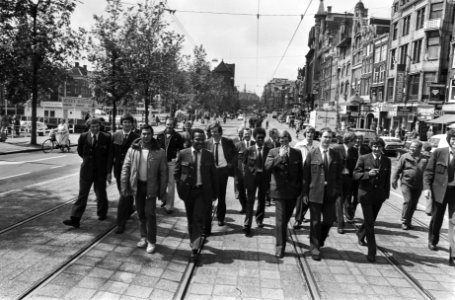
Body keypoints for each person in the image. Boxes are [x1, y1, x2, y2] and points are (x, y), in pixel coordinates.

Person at [120, 125, 168, 254]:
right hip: (138, 185)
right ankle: (143, 237)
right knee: (140, 213)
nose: (146, 136)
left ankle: (152, 241)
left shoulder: (160, 152)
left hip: (151, 186)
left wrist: (163, 192)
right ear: (140, 134)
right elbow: (126, 168)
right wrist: (124, 185)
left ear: (152, 135)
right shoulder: (133, 150)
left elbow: (164, 173)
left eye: (148, 134)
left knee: (150, 214)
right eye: (143, 133)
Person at [174, 128, 217, 261]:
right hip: (188, 192)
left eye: (202, 139)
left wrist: (214, 193)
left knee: (198, 218)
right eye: (197, 139)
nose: (200, 142)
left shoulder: (209, 155)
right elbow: (176, 173)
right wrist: (180, 188)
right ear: (192, 140)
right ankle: (194, 239)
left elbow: (213, 175)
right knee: (190, 219)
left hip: (202, 192)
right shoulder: (183, 153)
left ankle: (194, 248)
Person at [63, 118, 112, 228]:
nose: (94, 128)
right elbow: (80, 151)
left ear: (100, 126)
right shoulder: (84, 136)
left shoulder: (107, 137)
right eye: (92, 126)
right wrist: (88, 161)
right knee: (82, 194)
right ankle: (75, 218)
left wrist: (109, 171)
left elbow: (109, 156)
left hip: (101, 171)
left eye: (96, 126)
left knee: (100, 192)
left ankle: (102, 212)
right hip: (86, 170)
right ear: (89, 127)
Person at [302, 128, 342, 261]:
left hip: (330, 194)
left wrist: (337, 191)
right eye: (325, 137)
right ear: (320, 138)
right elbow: (305, 176)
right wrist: (304, 194)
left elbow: (339, 176)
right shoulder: (312, 153)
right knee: (314, 222)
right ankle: (314, 248)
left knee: (329, 221)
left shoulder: (335, 155)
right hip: (315, 193)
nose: (327, 140)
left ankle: (319, 240)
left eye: (330, 137)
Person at [265, 130, 302, 258]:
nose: (283, 141)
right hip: (279, 192)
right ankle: (280, 247)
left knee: (285, 219)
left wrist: (300, 189)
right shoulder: (273, 152)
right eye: (281, 139)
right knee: (280, 221)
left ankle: (281, 235)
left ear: (289, 140)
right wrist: (279, 157)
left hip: (292, 192)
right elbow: (267, 167)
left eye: (285, 139)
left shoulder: (297, 153)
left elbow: (300, 172)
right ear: (278, 141)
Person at [353, 138, 391, 263]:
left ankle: (360, 233)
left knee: (371, 220)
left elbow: (387, 179)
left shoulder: (387, 161)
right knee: (370, 223)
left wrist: (386, 194)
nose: (377, 149)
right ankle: (372, 251)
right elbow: (355, 175)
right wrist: (368, 174)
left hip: (379, 196)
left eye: (379, 146)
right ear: (371, 147)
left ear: (382, 148)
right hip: (365, 195)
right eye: (374, 146)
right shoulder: (363, 158)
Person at [423, 128, 455, 266]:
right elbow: (428, 172)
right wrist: (427, 188)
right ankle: (433, 240)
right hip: (439, 192)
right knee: (437, 218)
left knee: (454, 223)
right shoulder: (439, 153)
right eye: (453, 139)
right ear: (449, 140)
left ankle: (453, 254)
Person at [108, 113, 140, 234]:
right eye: (124, 122)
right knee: (126, 194)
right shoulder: (115, 136)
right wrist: (108, 172)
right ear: (121, 124)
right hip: (117, 170)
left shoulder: (137, 137)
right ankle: (129, 210)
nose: (126, 124)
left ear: (132, 124)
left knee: (124, 195)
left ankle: (120, 223)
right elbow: (110, 155)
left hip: (130, 170)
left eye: (129, 122)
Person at [206, 123, 237, 227]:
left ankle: (220, 218)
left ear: (220, 132)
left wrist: (230, 163)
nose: (213, 133)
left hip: (223, 171)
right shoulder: (207, 143)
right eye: (212, 131)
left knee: (221, 195)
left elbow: (235, 153)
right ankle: (207, 216)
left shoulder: (227, 142)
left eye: (215, 131)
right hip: (211, 172)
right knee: (209, 195)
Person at [392, 140, 428, 230]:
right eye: (411, 146)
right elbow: (398, 169)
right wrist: (394, 179)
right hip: (406, 183)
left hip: (418, 185)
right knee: (408, 201)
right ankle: (404, 221)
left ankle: (409, 221)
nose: (412, 148)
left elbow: (428, 172)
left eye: (414, 147)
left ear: (420, 149)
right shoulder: (405, 157)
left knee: (414, 204)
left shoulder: (425, 159)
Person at [242, 127, 269, 236]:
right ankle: (247, 225)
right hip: (252, 179)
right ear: (255, 138)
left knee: (262, 200)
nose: (260, 140)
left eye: (262, 138)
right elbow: (244, 164)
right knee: (250, 201)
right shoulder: (249, 150)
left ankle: (259, 219)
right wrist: (246, 178)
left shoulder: (268, 150)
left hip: (263, 178)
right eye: (258, 138)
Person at [156, 118, 184, 214]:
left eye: (171, 124)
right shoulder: (159, 135)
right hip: (160, 163)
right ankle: (165, 199)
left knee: (171, 185)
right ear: (165, 124)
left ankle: (169, 207)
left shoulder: (177, 136)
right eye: (168, 124)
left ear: (173, 125)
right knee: (160, 184)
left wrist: (177, 160)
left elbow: (181, 150)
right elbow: (155, 149)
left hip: (171, 163)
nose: (169, 126)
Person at [332, 132, 358, 234]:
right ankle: (340, 225)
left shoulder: (354, 151)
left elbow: (355, 165)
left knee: (342, 200)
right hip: (337, 179)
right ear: (348, 140)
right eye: (354, 141)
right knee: (339, 200)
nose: (355, 143)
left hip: (348, 180)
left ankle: (335, 218)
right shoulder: (336, 149)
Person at [293, 126, 317, 229]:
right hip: (301, 173)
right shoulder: (299, 145)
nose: (310, 135)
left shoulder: (316, 148)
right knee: (301, 197)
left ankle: (301, 216)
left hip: (312, 174)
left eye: (312, 133)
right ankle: (298, 220)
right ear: (305, 134)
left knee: (309, 197)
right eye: (308, 132)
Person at [345, 134, 371, 221]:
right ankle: (348, 213)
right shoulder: (351, 149)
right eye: (357, 139)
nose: (358, 141)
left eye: (360, 139)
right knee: (348, 196)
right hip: (350, 177)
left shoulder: (366, 148)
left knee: (357, 197)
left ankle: (351, 212)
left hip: (360, 177)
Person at [235, 128, 255, 214]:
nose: (247, 135)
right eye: (245, 134)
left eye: (248, 133)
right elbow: (234, 159)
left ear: (251, 134)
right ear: (242, 135)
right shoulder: (238, 145)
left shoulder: (255, 144)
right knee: (241, 191)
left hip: (252, 173)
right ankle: (244, 207)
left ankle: (249, 208)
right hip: (240, 173)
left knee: (251, 192)